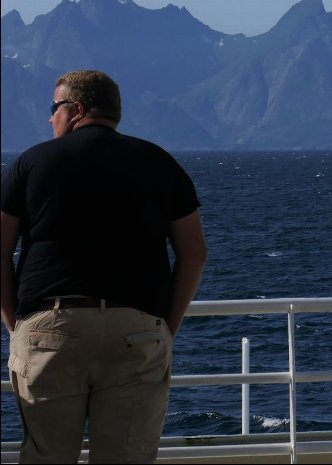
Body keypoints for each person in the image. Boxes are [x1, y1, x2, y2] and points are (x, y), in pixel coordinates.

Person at [1, 69, 207, 464]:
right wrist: (165, 326)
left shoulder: (31, 163)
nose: (49, 118)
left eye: (54, 108)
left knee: (47, 457)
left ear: (75, 109)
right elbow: (194, 252)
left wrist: (17, 325)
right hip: (138, 329)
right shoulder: (160, 163)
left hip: (50, 327)